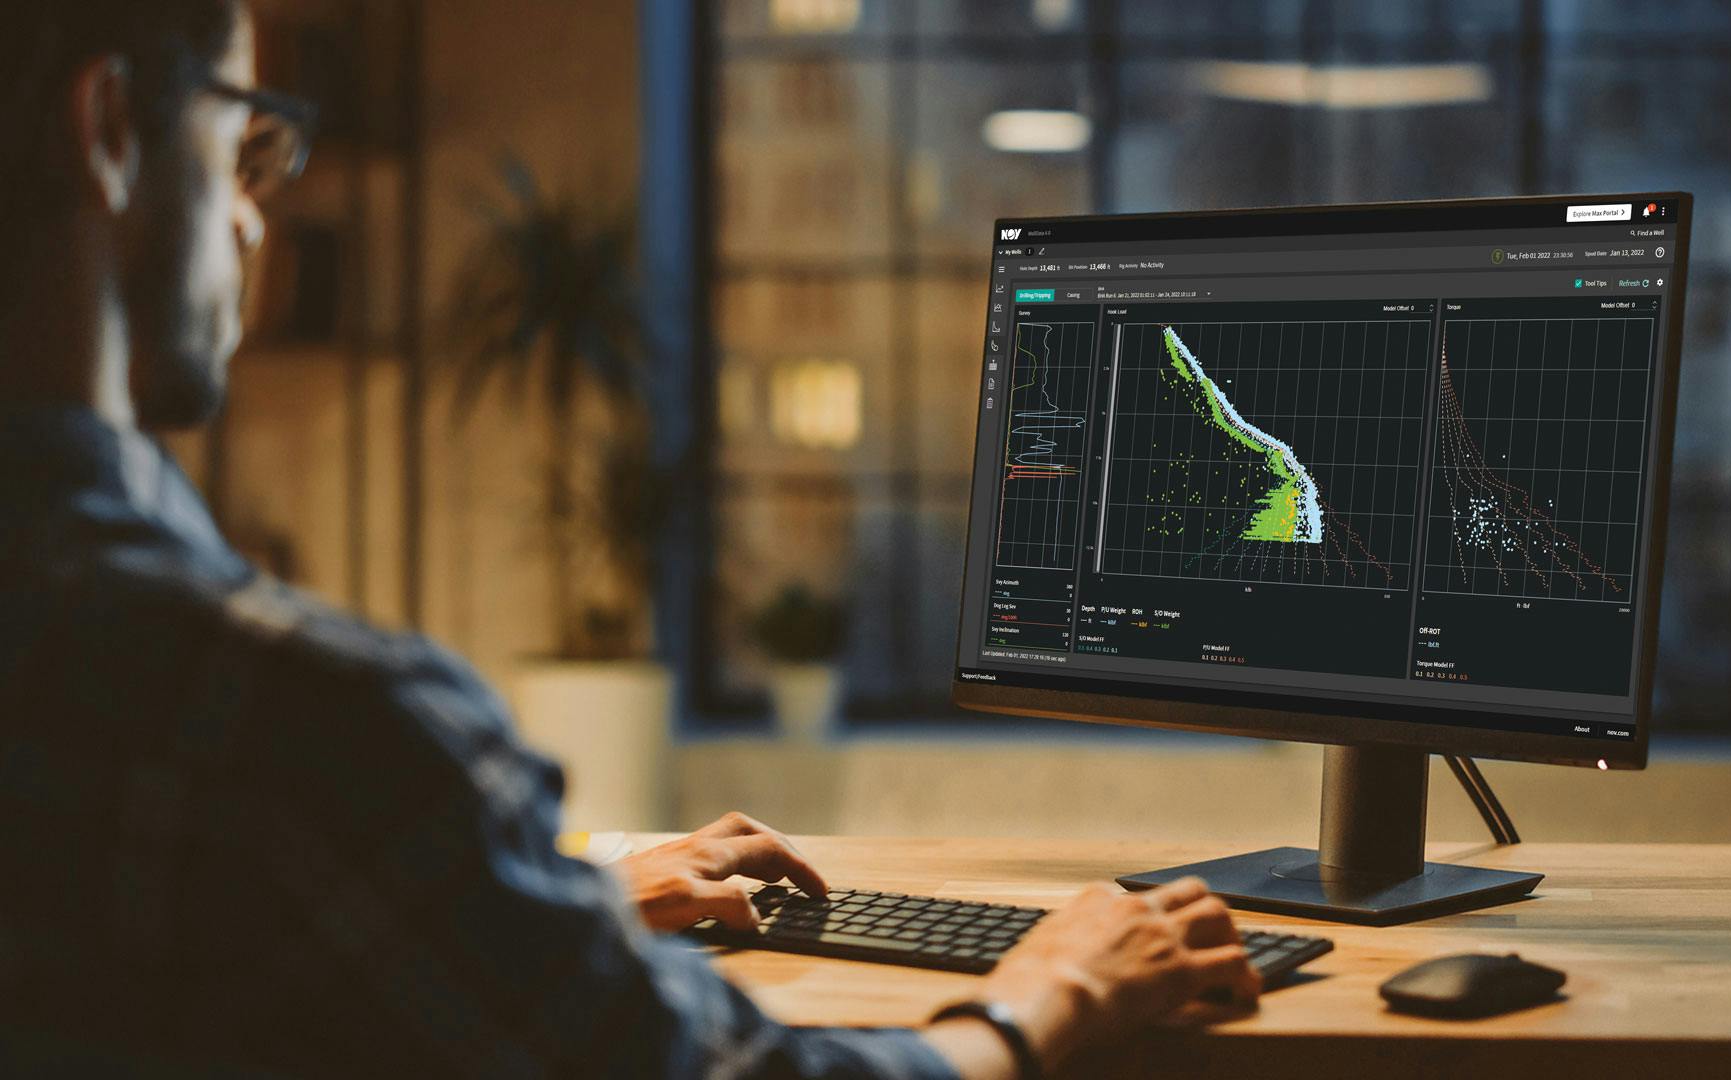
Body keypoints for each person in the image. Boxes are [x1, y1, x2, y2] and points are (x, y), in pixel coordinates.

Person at [0, 2, 1260, 1075]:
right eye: (242, 146)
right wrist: (1050, 997)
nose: (249, 220)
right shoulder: (295, 722)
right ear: (109, 130)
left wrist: (546, 910)